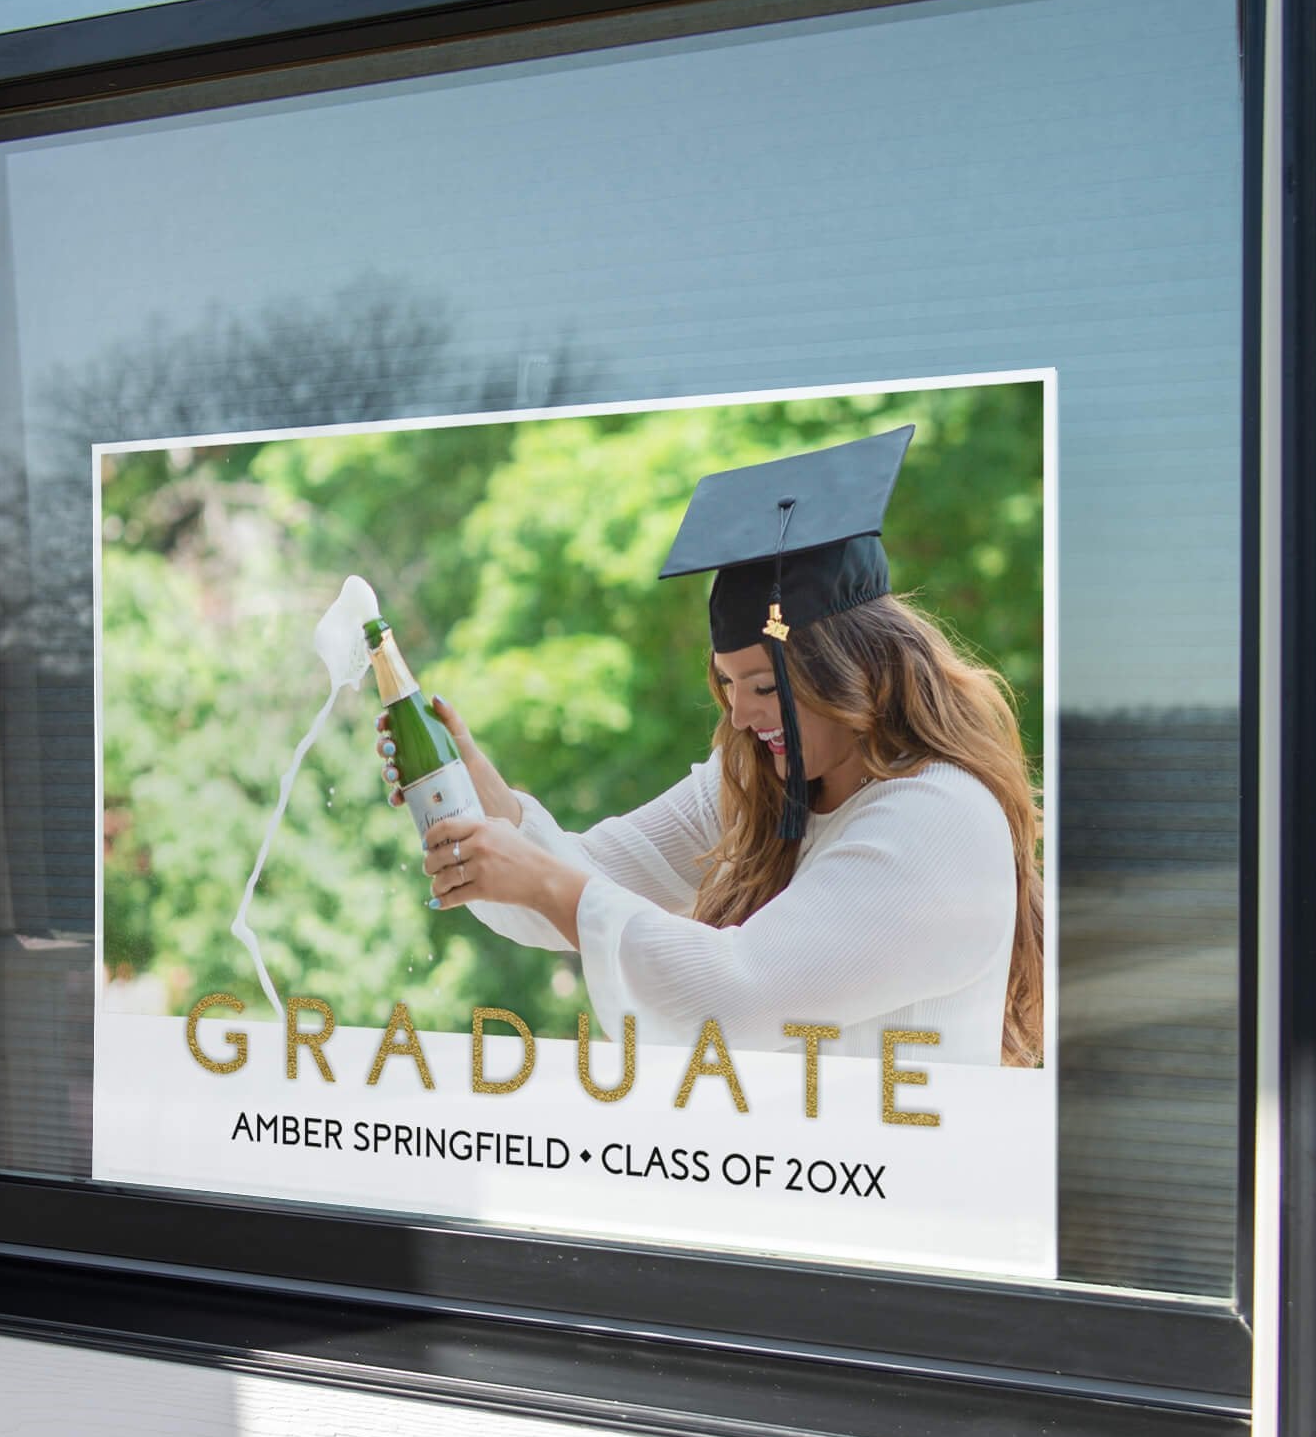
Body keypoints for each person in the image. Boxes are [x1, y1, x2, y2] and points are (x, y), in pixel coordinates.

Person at [376, 427, 1043, 1070]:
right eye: (727, 685)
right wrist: (469, 789)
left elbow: (734, 1000)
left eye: (762, 684)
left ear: (850, 669)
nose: (742, 714)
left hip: (892, 1182)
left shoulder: (937, 821)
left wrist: (549, 882)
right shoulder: (758, 784)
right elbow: (580, 881)